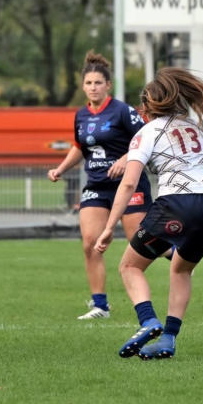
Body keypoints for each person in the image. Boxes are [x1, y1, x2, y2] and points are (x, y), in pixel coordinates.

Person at [94, 67, 203, 360]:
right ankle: (168, 340)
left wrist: (109, 226)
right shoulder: (198, 129)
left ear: (147, 106)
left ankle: (148, 321)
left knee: (129, 267)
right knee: (181, 269)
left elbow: (129, 182)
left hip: (177, 203)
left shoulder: (147, 132)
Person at [48, 50, 153, 320]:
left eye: (98, 83)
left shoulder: (123, 111)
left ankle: (179, 252)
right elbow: (79, 146)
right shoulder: (81, 115)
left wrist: (125, 157)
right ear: (83, 86)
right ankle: (100, 306)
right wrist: (60, 169)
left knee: (139, 243)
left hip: (129, 185)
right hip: (96, 185)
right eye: (88, 83)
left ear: (108, 85)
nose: (93, 87)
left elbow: (148, 139)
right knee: (90, 244)